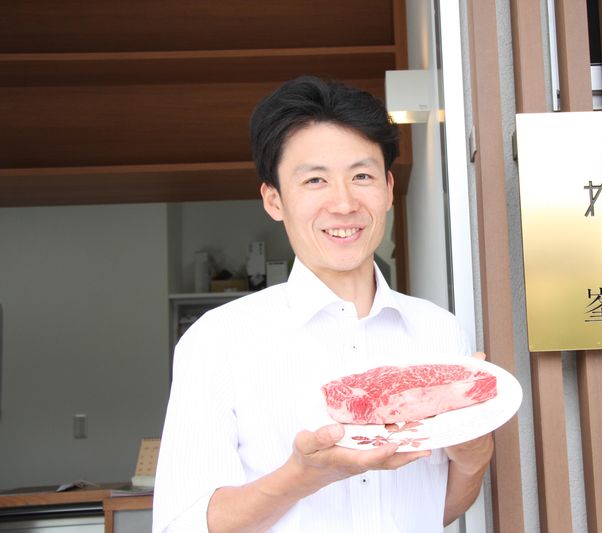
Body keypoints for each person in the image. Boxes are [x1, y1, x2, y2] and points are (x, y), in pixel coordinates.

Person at [152, 76, 493, 532]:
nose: (344, 203)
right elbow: (183, 524)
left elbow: (435, 510)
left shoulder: (440, 332)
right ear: (274, 200)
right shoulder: (218, 341)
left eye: (362, 176)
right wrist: (302, 477)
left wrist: (474, 459)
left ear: (389, 188)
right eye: (315, 180)